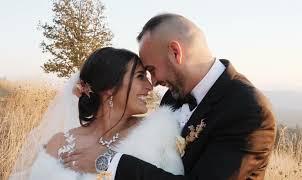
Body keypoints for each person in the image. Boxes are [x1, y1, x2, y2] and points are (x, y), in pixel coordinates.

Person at [63, 13, 276, 179]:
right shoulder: (172, 98)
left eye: (152, 70)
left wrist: (109, 163)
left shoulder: (248, 109)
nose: (153, 83)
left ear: (176, 52)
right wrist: (94, 99)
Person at [9, 47, 184, 180]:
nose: (150, 86)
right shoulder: (60, 143)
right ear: (110, 87)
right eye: (140, 76)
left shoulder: (159, 132)